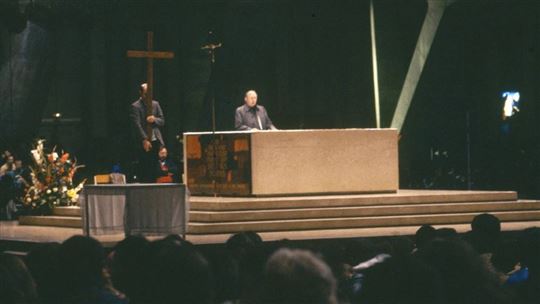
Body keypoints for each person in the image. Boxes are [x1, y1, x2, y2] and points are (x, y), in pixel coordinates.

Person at [130, 83, 165, 182]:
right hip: (143, 142)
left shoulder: (155, 104)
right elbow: (137, 125)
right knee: (144, 168)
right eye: (146, 94)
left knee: (154, 168)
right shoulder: (135, 106)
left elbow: (162, 121)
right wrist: (144, 139)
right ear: (140, 93)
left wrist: (154, 119)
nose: (148, 97)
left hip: (155, 140)